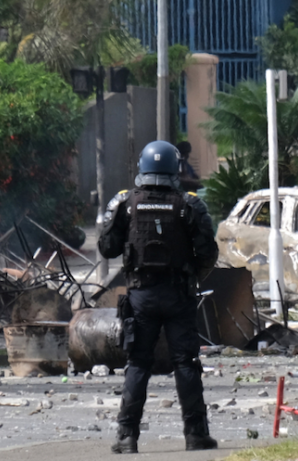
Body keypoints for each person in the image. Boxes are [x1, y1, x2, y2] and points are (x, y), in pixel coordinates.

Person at [98, 140, 219, 454]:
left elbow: (107, 248)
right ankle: (195, 435)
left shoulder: (126, 203)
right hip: (179, 295)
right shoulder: (189, 204)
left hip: (141, 296)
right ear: (175, 168)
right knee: (186, 363)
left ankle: (126, 437)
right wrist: (193, 278)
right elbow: (208, 252)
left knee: (138, 363)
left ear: (142, 167)